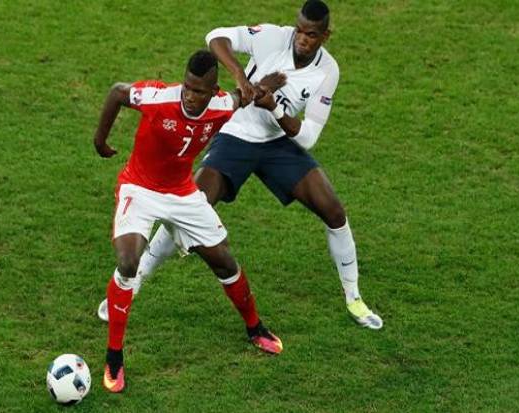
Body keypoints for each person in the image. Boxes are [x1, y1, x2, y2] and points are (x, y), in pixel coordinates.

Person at [97, 0, 383, 331]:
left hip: (278, 144)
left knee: (333, 211)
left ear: (325, 36)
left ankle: (354, 297)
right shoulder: (273, 37)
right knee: (188, 205)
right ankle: (133, 283)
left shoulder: (327, 72)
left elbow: (307, 138)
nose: (302, 39)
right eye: (300, 31)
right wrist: (239, 75)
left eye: (311, 35)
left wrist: (274, 107)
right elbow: (215, 37)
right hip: (235, 134)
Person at [93, 50, 287, 393]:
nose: (189, 95)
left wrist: (264, 86)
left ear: (212, 92)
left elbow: (243, 97)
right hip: (140, 187)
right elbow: (117, 91)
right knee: (127, 262)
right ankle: (114, 356)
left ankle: (255, 328)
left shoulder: (221, 105)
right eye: (187, 87)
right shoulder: (157, 98)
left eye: (199, 91)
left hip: (183, 194)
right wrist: (100, 139)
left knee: (224, 261)